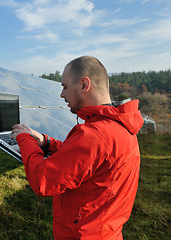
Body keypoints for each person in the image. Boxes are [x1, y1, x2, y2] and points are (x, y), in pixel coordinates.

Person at [12, 56, 144, 239]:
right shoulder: (120, 127)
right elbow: (89, 161)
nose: (61, 94)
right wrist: (47, 142)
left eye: (65, 86)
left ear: (84, 85)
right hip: (107, 232)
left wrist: (25, 139)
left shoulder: (94, 135)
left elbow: (41, 179)